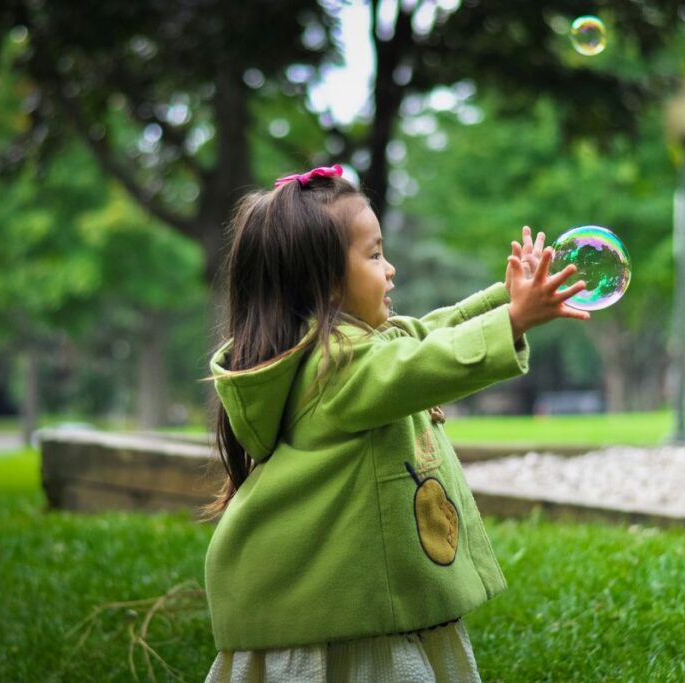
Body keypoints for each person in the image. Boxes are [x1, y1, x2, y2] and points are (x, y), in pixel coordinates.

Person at [200, 164, 589, 682]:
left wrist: (504, 298)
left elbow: (428, 331)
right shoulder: (336, 368)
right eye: (375, 254)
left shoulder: (348, 350)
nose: (391, 270)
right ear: (327, 282)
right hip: (341, 621)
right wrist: (513, 321)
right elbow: (426, 362)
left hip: (354, 604)